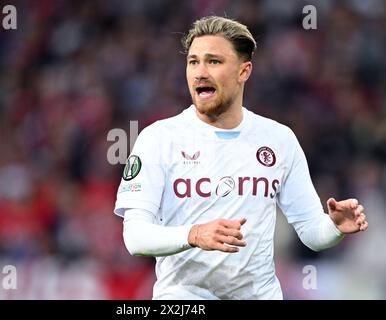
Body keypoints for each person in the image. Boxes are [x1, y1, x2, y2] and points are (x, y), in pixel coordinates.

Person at [113, 16, 368, 300]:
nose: (200, 72)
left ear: (244, 71)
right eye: (193, 62)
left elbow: (312, 232)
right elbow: (135, 237)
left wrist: (334, 228)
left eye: (214, 61)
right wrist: (194, 234)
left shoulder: (278, 140)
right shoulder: (158, 138)